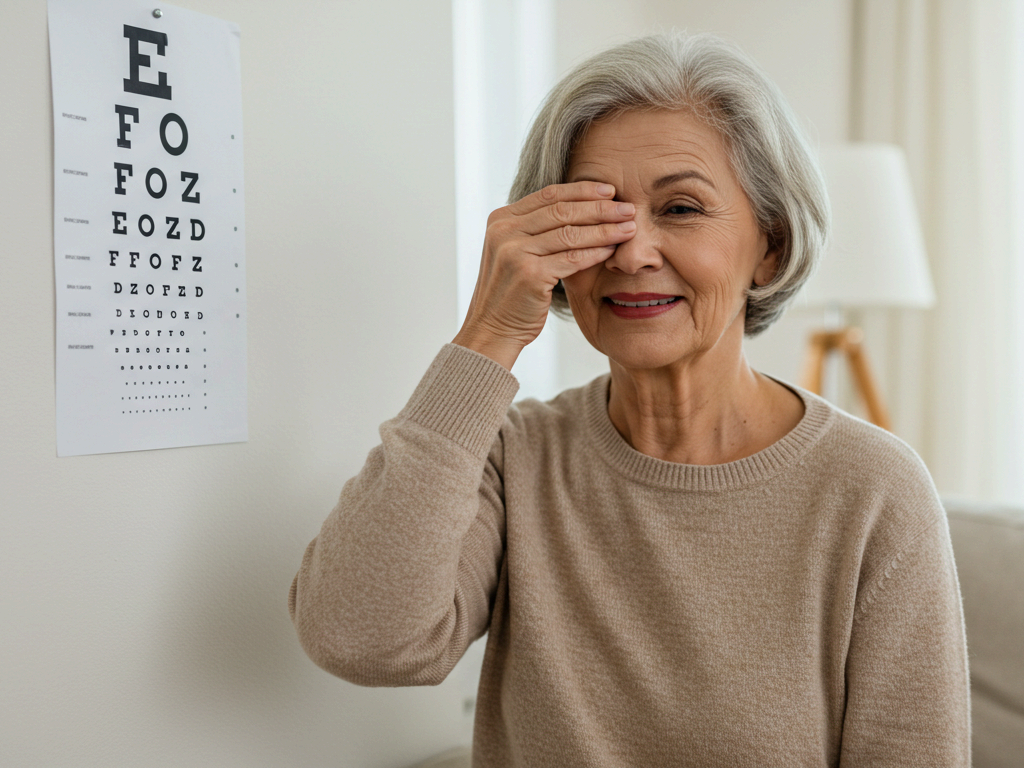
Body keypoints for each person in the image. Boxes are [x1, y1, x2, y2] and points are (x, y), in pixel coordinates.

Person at [289, 32, 970, 767]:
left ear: (768, 245)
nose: (631, 253)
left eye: (681, 209)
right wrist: (486, 335)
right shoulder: (513, 457)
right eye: (594, 214)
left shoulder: (872, 488)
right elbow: (360, 640)